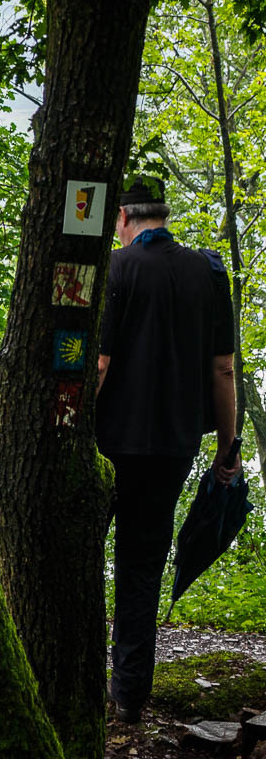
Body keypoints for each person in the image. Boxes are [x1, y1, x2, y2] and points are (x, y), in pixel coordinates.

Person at [97, 173, 238, 723]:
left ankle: (76, 676)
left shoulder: (116, 267)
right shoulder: (207, 271)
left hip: (111, 444)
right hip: (174, 446)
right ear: (164, 216)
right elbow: (222, 368)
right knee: (142, 562)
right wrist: (227, 448)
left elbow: (102, 364)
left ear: (125, 220)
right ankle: (129, 693)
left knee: (83, 552)